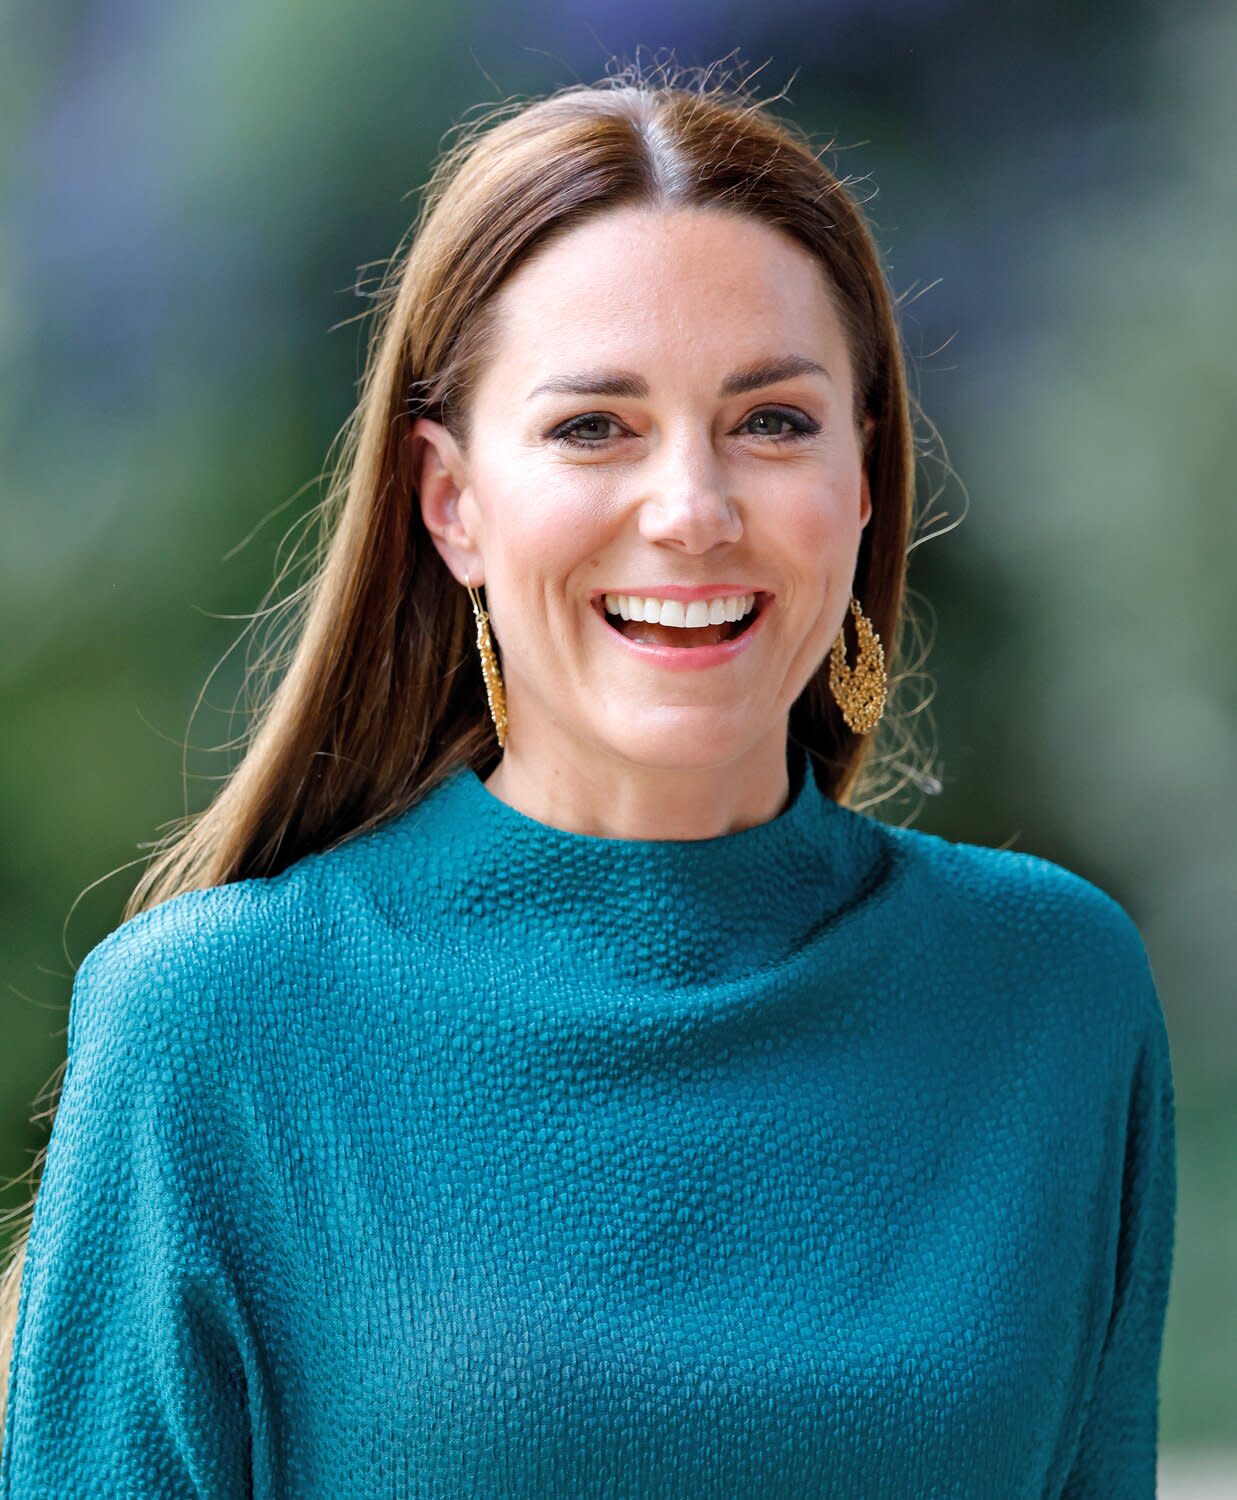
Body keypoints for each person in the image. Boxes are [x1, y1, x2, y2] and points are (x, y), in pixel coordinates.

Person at [0, 62, 1175, 1499]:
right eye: (591, 427)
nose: (689, 509)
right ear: (452, 503)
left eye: (772, 422)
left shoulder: (1050, 992)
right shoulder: (214, 1028)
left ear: (863, 476)